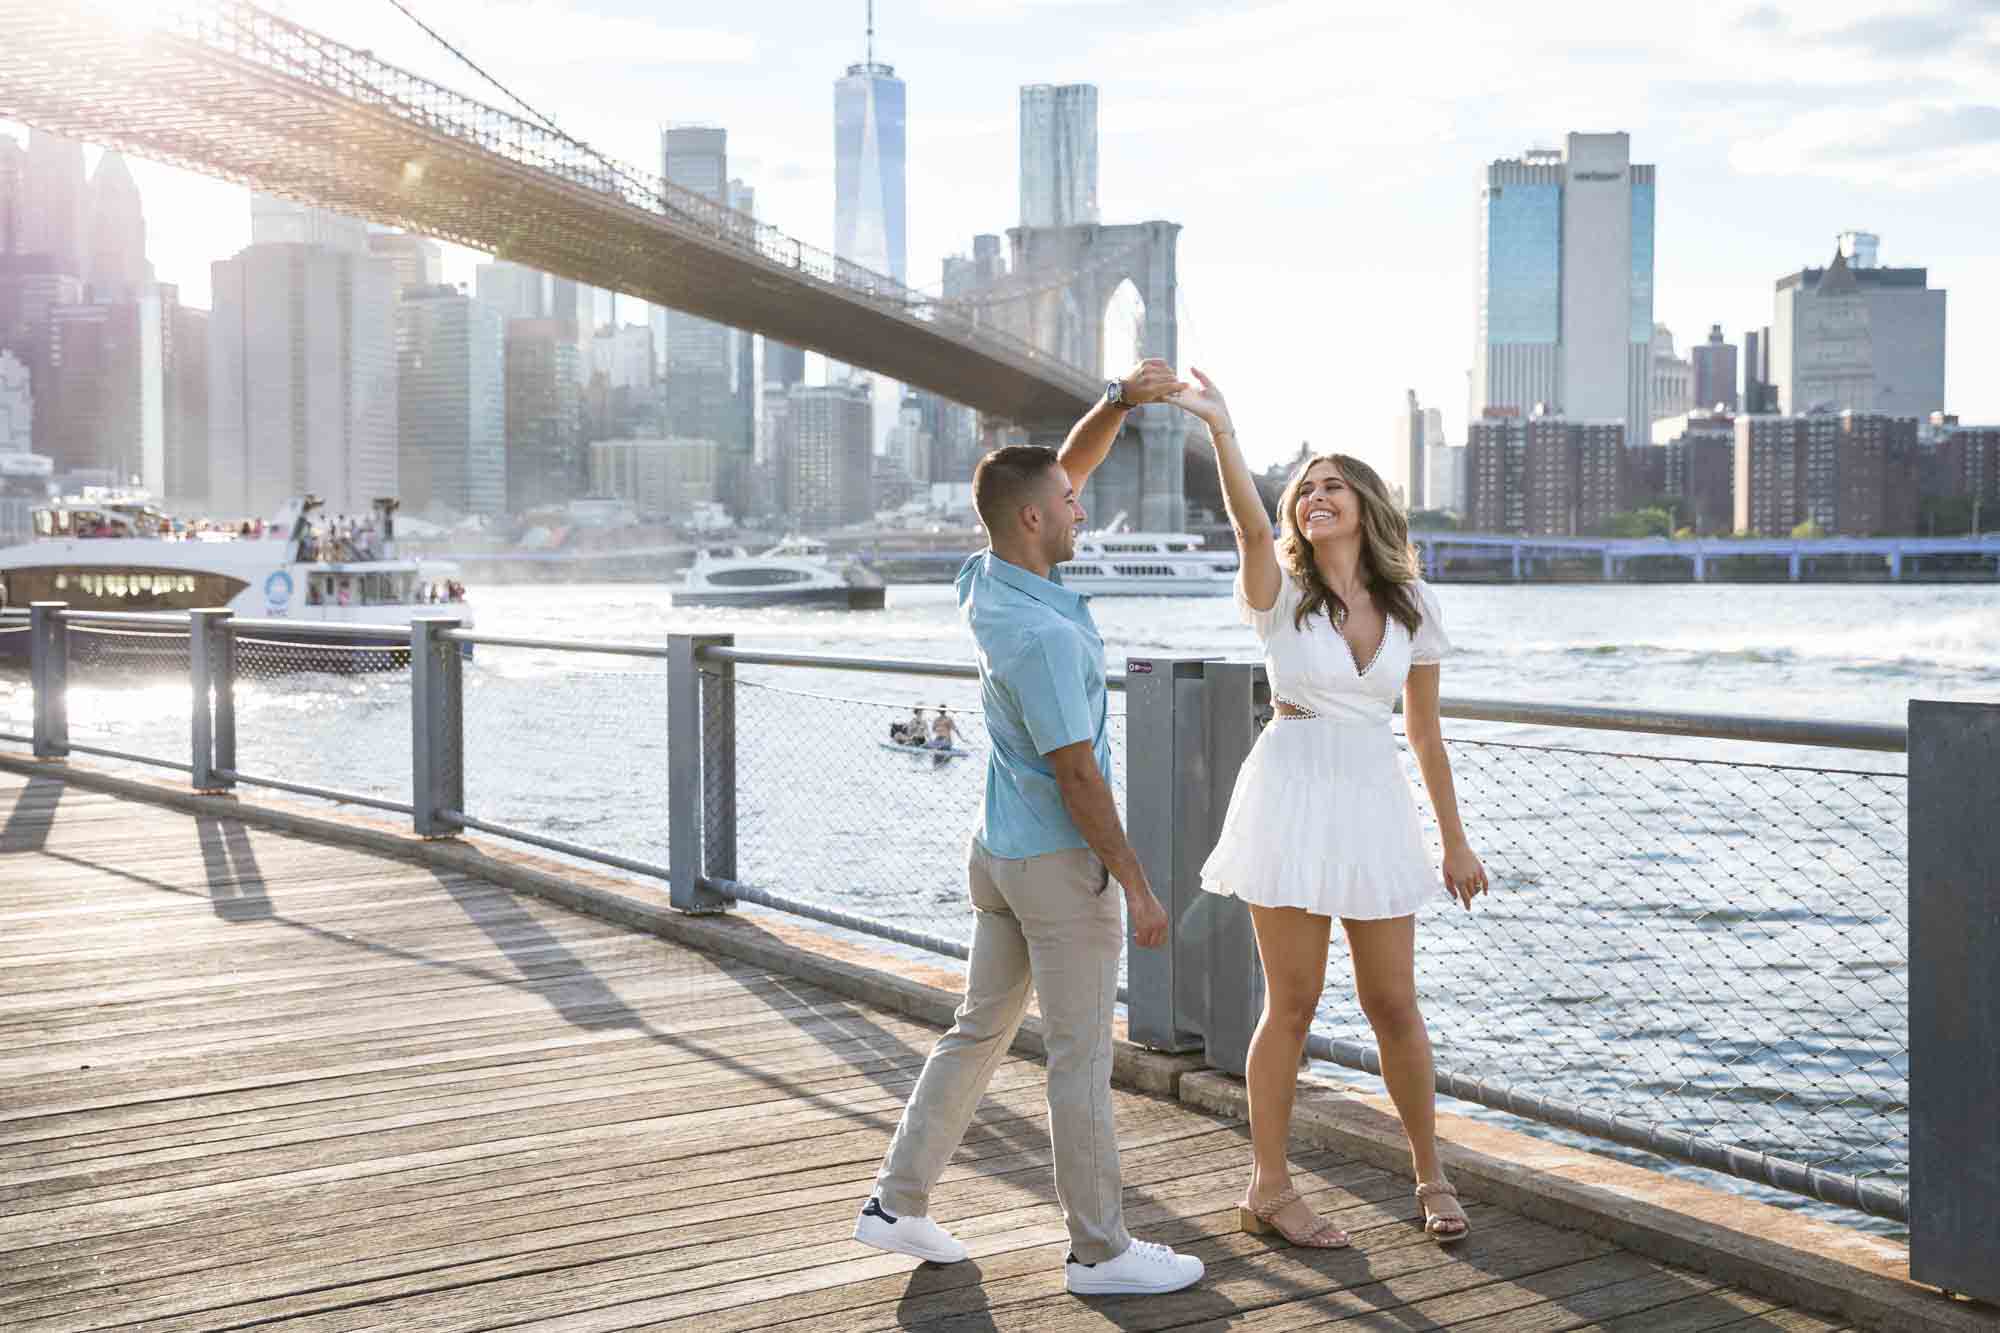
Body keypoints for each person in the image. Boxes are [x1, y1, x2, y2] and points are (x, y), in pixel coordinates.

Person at [853, 359, 1205, 1297]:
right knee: (1081, 1057)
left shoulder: (989, 577)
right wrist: (1133, 879)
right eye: (1070, 504)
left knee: (977, 1028)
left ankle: (897, 1201)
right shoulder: (1043, 637)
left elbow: (1059, 472)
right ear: (1034, 521)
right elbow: (1079, 773)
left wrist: (1119, 403)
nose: (1083, 510)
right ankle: (1100, 1251)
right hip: (1055, 866)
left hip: (998, 853)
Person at [1169, 367, 1488, 1250]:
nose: (1315, 496)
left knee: (1395, 1003)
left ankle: (1431, 1172)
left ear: (1367, 504)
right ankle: (1268, 1186)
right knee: (1294, 1002)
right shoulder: (1279, 590)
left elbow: (1424, 734)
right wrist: (1224, 429)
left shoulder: (1414, 603)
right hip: (1291, 791)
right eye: (1305, 487)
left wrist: (1454, 842)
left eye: (1332, 484)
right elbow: (1242, 518)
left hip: (1373, 797)